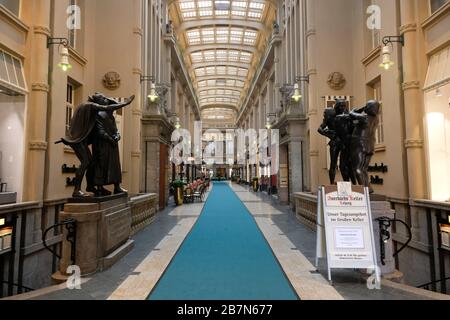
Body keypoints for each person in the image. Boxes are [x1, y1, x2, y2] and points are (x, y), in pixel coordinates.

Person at [56, 93, 134, 197]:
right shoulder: (90, 106)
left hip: (81, 140)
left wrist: (116, 136)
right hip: (79, 141)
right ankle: (77, 190)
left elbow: (108, 115)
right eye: (102, 98)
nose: (105, 99)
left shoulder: (87, 107)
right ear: (96, 101)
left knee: (90, 163)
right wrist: (125, 103)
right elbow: (106, 108)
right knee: (86, 163)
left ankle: (90, 187)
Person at [349, 100, 380, 193]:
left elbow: (351, 113)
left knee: (357, 168)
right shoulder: (375, 119)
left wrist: (359, 109)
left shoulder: (364, 118)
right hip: (370, 145)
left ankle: (363, 189)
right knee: (364, 168)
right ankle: (368, 188)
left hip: (359, 143)